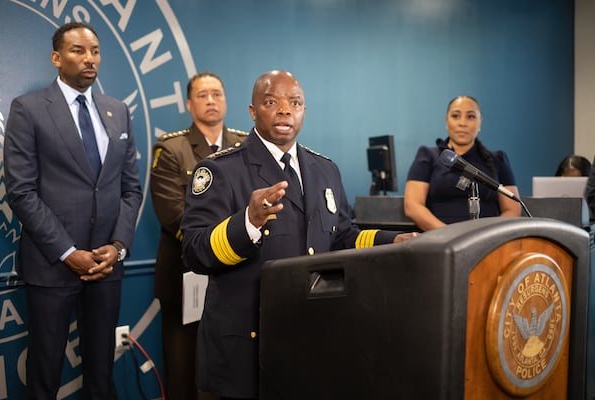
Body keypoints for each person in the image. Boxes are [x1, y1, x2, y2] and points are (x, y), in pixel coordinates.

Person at [180, 69, 419, 400]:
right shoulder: (220, 169)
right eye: (271, 101)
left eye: (295, 102)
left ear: (304, 111)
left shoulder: (325, 170)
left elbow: (343, 236)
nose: (284, 109)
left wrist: (391, 242)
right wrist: (248, 222)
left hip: (311, 340)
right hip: (246, 348)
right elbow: (194, 252)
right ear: (252, 111)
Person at [3, 22, 142, 399]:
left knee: (101, 373)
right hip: (52, 266)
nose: (89, 58)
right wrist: (68, 252)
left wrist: (117, 247)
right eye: (78, 50)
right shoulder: (28, 109)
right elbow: (22, 191)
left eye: (95, 50)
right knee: (44, 372)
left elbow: (131, 189)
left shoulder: (118, 111)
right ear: (56, 58)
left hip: (105, 265)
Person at [150, 71, 247, 400]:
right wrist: (224, 243)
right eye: (203, 95)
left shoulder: (244, 145)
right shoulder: (171, 148)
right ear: (189, 104)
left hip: (237, 276)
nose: (211, 101)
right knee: (183, 371)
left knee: (232, 367)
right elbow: (172, 214)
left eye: (217, 94)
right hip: (184, 276)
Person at [404, 95, 521, 231]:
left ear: (480, 122)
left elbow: (512, 209)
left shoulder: (497, 159)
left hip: (488, 241)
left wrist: (488, 237)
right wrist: (449, 235)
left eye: (470, 117)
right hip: (441, 240)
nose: (462, 123)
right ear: (446, 121)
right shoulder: (428, 155)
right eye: (455, 116)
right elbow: (413, 206)